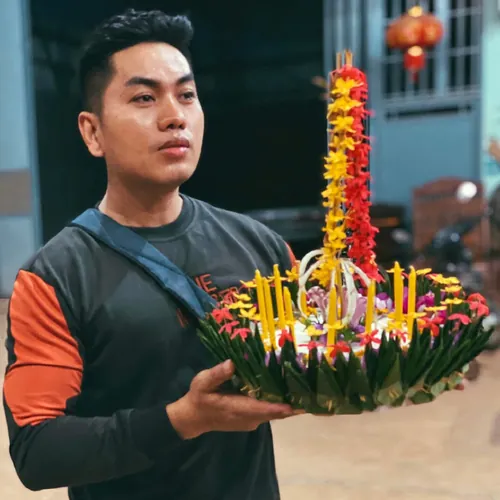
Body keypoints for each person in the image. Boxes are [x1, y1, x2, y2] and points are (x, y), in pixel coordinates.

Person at [3, 9, 299, 500]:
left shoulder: (261, 247)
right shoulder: (57, 276)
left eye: (186, 95)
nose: (174, 116)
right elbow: (38, 452)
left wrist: (402, 368)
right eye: (144, 97)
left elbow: (318, 357)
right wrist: (184, 419)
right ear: (92, 132)